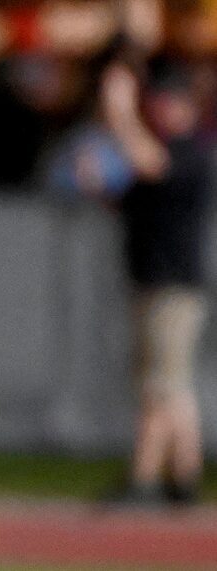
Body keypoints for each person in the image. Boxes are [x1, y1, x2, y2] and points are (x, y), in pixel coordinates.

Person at [101, 53, 214, 505]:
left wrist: (120, 111)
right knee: (172, 385)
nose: (164, 108)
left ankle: (143, 478)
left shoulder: (192, 150)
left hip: (175, 288)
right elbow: (129, 195)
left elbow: (150, 163)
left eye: (172, 100)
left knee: (162, 386)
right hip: (150, 283)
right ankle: (184, 479)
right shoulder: (166, 148)